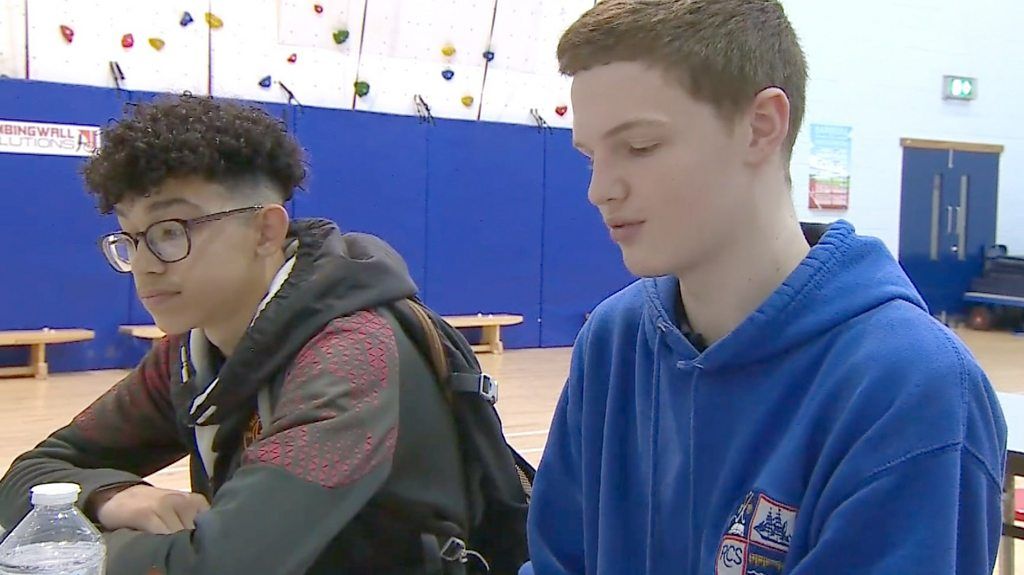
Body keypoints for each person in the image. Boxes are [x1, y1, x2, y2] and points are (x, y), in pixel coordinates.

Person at [521, 1, 1007, 574]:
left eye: (640, 147)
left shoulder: (907, 386)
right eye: (589, 157)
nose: (600, 189)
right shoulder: (613, 340)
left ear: (761, 126)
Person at [0, 95, 473, 574]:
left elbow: (224, 565)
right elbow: (30, 475)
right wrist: (114, 497)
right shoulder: (191, 350)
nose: (143, 265)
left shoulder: (351, 356)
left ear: (266, 231)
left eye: (170, 231)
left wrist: (71, 549)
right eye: (130, 237)